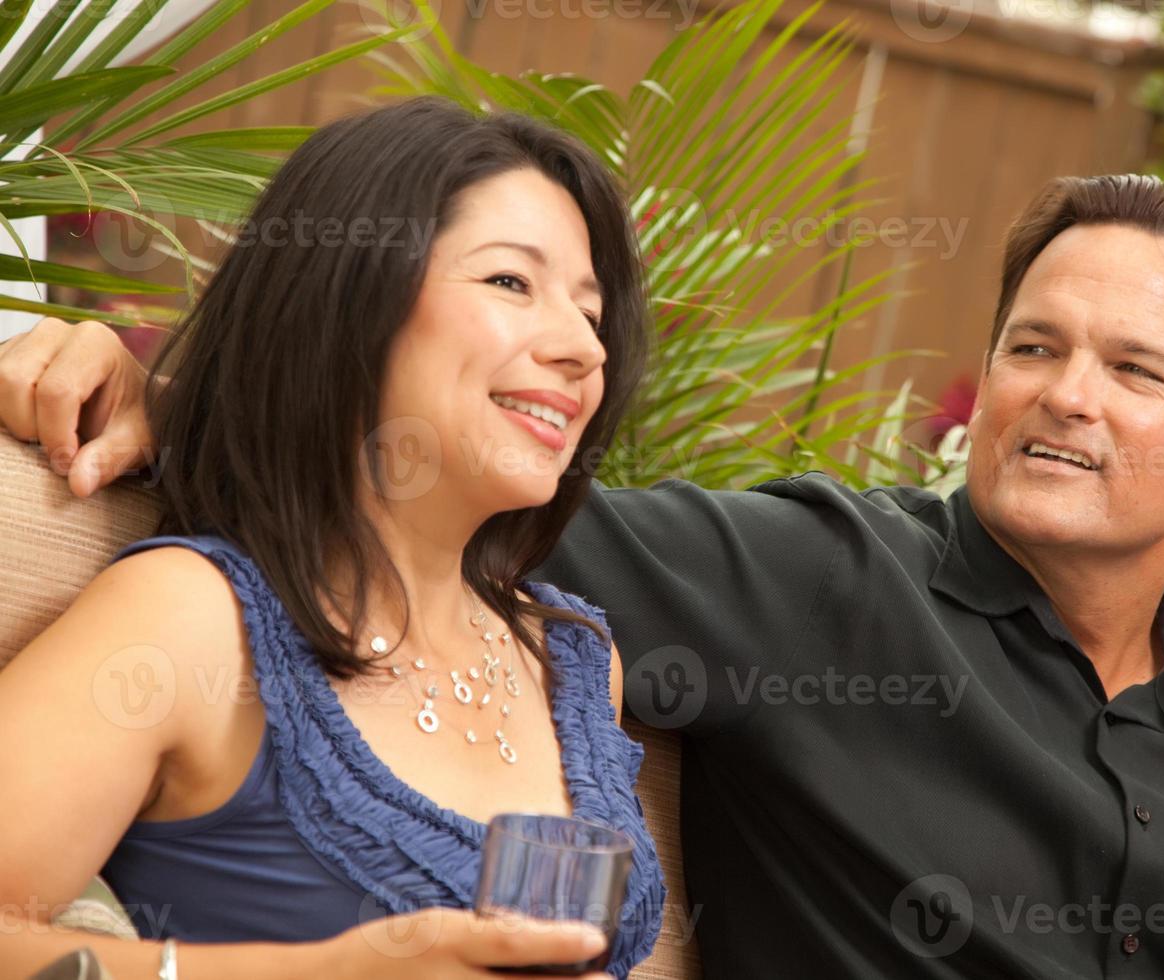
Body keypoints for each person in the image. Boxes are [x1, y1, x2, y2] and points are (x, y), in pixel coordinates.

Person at [0, 175, 1164, 978]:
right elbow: (439, 480)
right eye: (1034, 347)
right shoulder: (808, 587)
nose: (1069, 396)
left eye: (1134, 371)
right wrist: (153, 388)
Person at [0, 97, 666, 979]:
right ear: (349, 294)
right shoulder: (194, 621)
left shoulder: (576, 661)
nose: (584, 348)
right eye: (510, 282)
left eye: (591, 312)